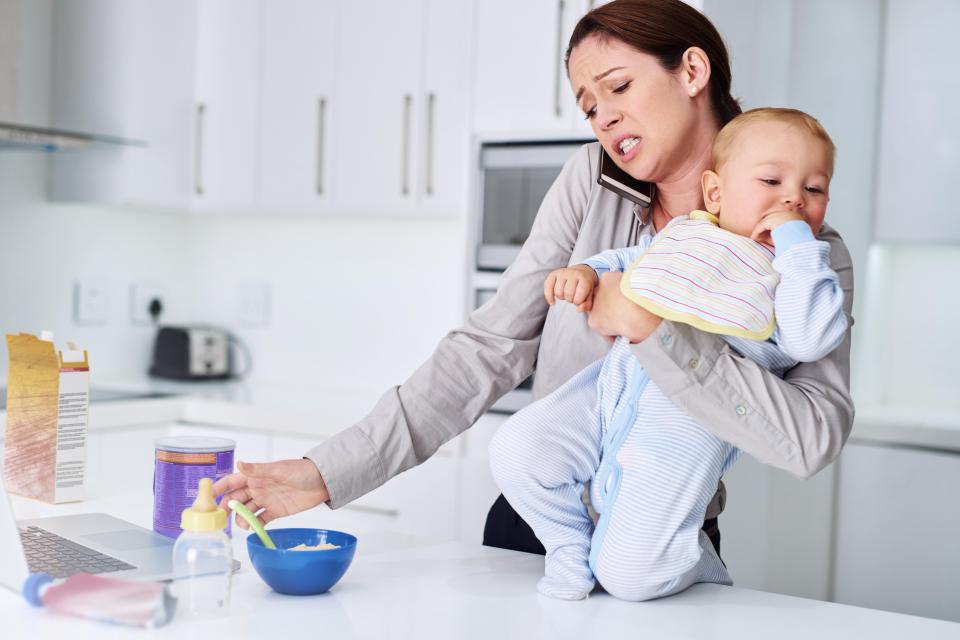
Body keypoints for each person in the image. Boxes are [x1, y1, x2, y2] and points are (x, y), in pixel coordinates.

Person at [212, 0, 855, 566]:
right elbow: (488, 349)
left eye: (619, 86)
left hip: (664, 543)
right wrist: (329, 472)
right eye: (590, 105)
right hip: (535, 528)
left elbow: (811, 437)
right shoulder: (591, 180)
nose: (603, 117)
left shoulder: (808, 258)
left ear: (692, 71)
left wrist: (655, 333)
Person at [489, 107, 847, 601]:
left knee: (630, 578)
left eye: (815, 189)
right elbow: (632, 264)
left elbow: (811, 337)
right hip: (610, 387)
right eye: (772, 180)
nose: (792, 198)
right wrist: (589, 272)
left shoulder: (797, 271)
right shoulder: (690, 234)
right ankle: (567, 546)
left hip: (686, 421)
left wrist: (796, 246)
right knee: (516, 447)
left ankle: (696, 560)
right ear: (716, 192)